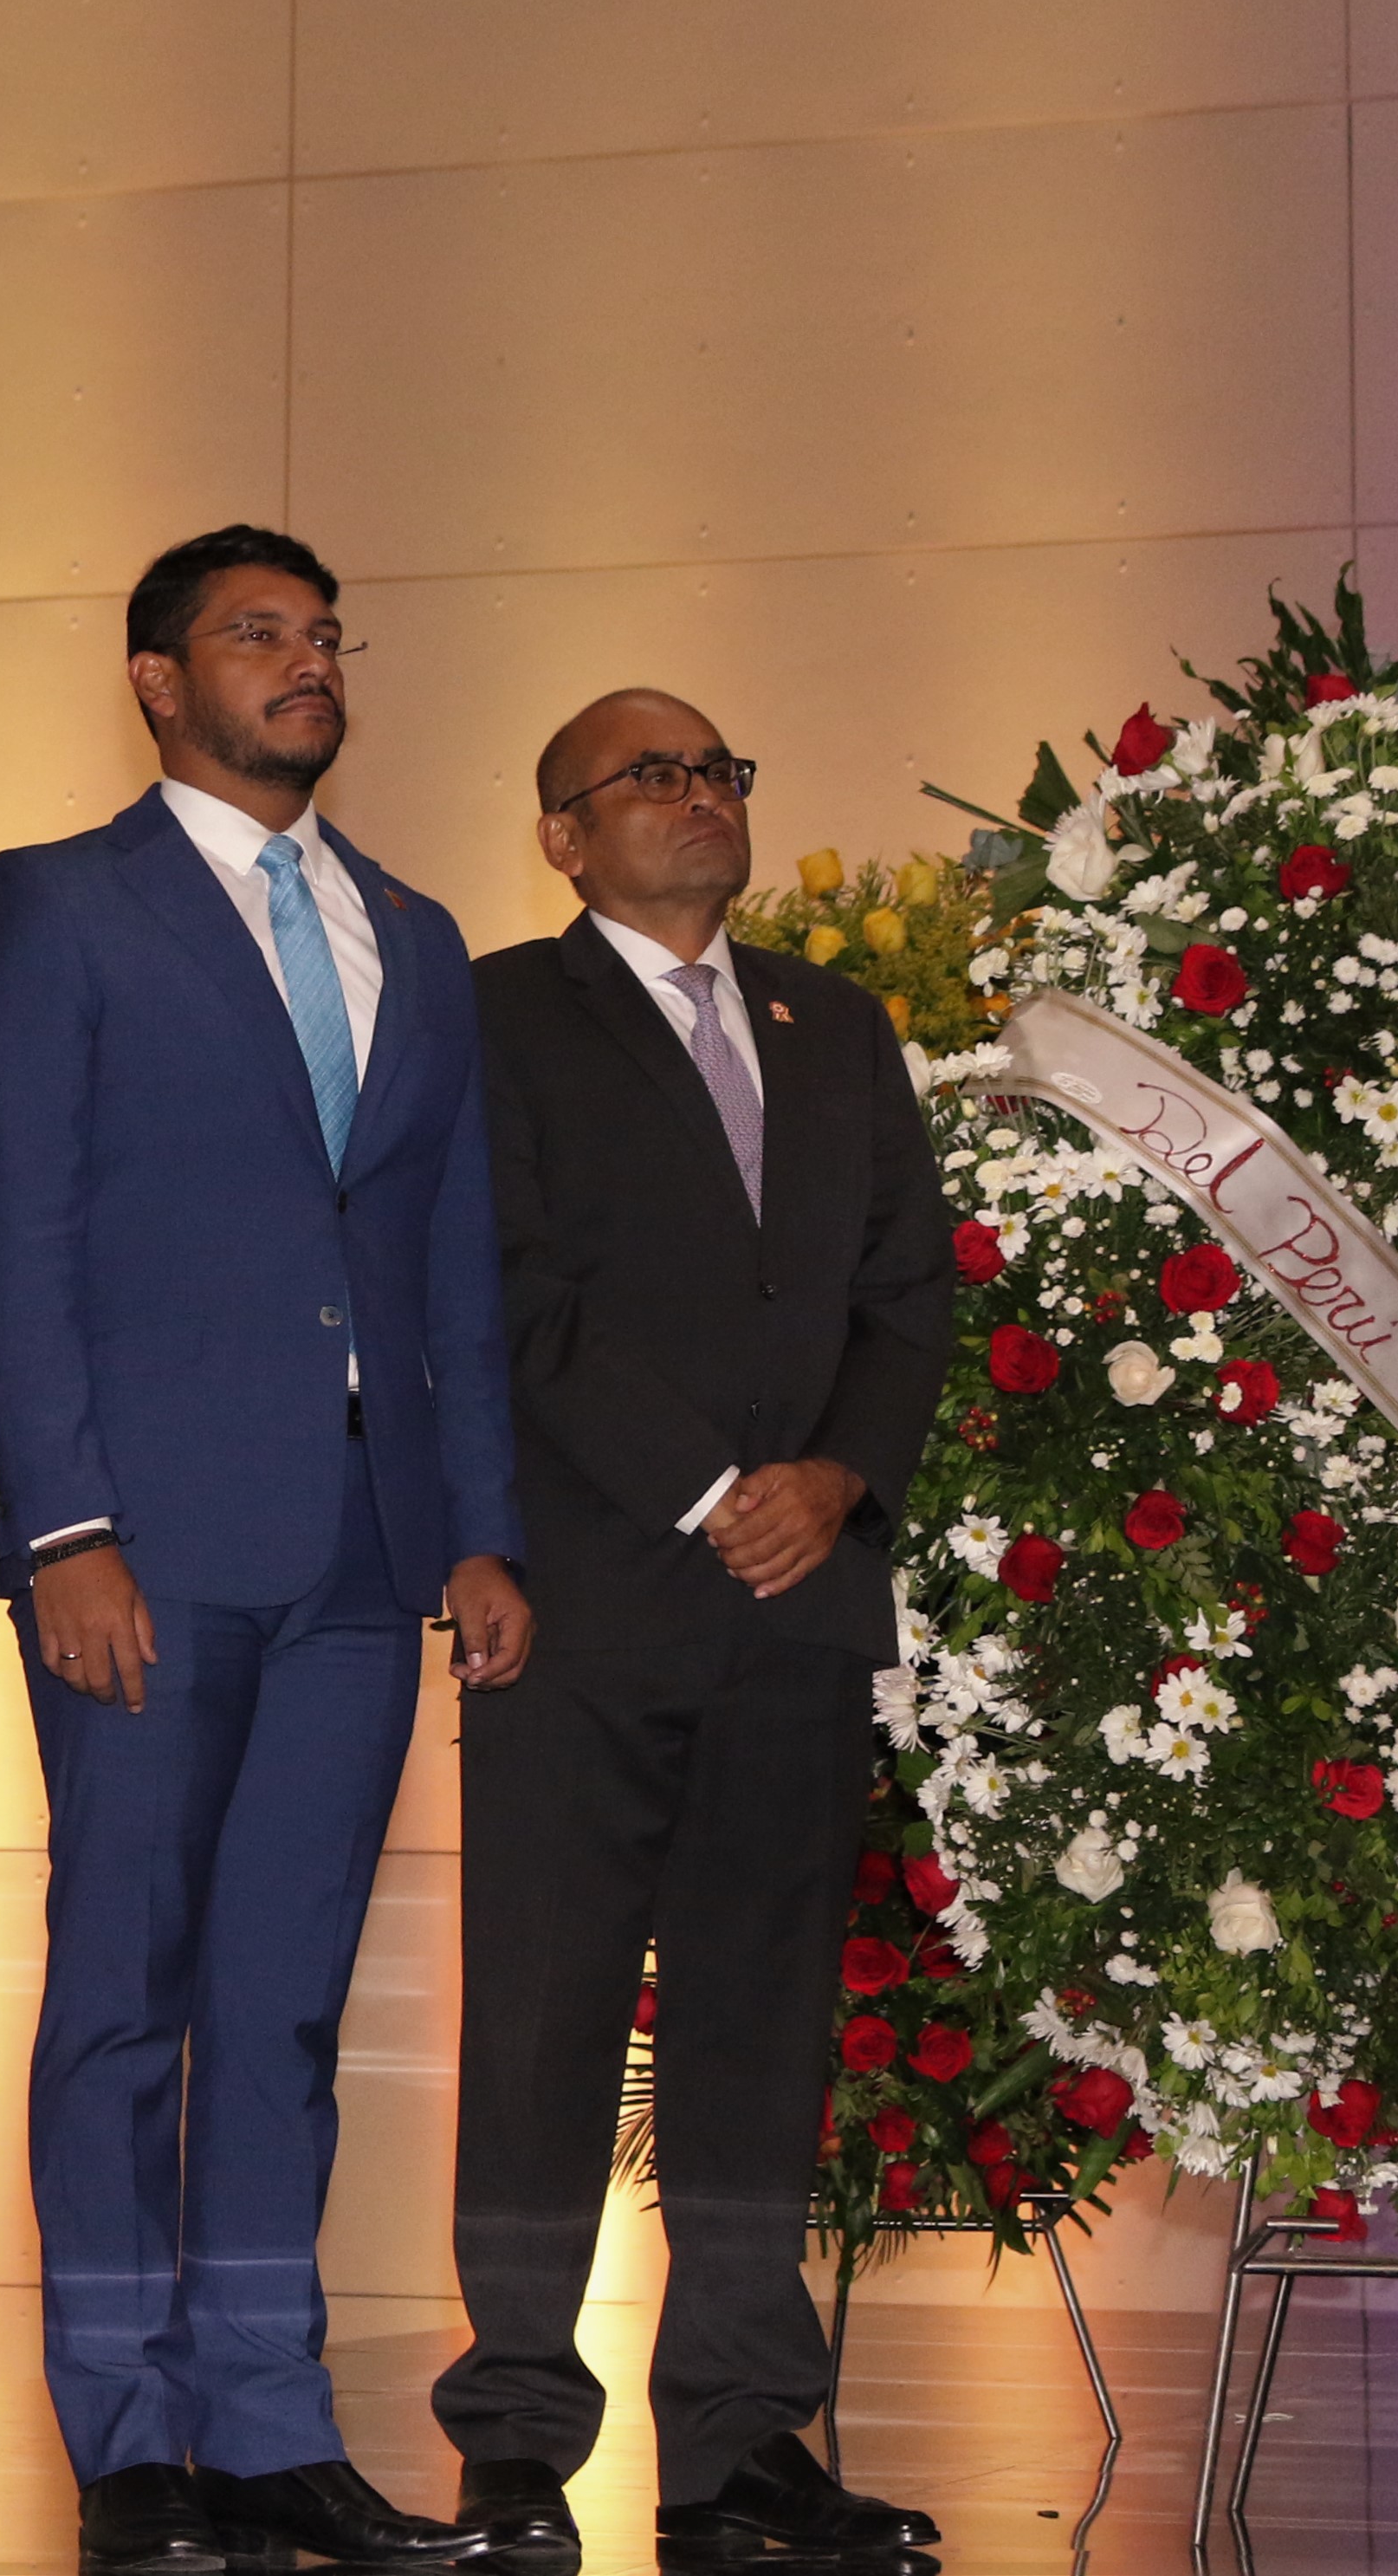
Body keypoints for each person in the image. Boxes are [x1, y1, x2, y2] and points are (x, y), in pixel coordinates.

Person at [0, 527, 527, 2576]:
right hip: (147, 1548)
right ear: (154, 680)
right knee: (124, 1990)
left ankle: (269, 2420)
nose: (300, 663)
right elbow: (11, 1235)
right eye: (253, 635)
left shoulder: (415, 930)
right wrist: (63, 1521)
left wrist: (478, 1531)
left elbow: (451, 1255)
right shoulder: (58, 906)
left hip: (367, 1560)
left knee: (278, 2007)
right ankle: (126, 2433)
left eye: (320, 633)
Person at [431, 690, 956, 2568]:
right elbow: (506, 1290)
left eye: (719, 767)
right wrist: (706, 1484)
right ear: (561, 833)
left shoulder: (835, 1023)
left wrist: (830, 1482)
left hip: (797, 1605)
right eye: (645, 774)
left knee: (761, 2030)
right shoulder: (496, 1014)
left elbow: (910, 1293)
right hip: (583, 1606)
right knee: (544, 2023)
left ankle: (738, 2441)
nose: (694, 795)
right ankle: (511, 2432)